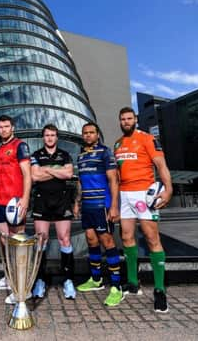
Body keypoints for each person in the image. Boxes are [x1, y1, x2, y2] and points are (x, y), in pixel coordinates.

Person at [114, 107, 173, 313]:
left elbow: (161, 165)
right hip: (124, 195)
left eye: (129, 118)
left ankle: (159, 290)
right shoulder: (118, 144)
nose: (126, 121)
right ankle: (132, 283)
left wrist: (168, 189)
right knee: (127, 237)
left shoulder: (147, 139)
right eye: (123, 119)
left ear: (135, 119)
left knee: (151, 238)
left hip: (143, 194)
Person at [74, 122, 124, 307]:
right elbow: (80, 181)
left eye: (91, 132)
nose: (88, 135)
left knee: (107, 241)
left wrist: (114, 207)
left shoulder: (105, 152)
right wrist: (77, 202)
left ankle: (117, 287)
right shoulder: (80, 155)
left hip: (102, 205)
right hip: (87, 205)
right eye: (85, 133)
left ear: (97, 134)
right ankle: (96, 280)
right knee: (91, 240)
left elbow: (114, 180)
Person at [30, 124, 76, 300]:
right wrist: (57, 170)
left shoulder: (64, 155)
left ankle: (68, 281)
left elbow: (69, 174)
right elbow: (34, 176)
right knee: (41, 240)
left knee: (65, 239)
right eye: (47, 135)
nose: (50, 138)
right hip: (42, 200)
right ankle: (40, 280)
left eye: (53, 135)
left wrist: (46, 169)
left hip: (61, 201)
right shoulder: (36, 155)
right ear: (43, 137)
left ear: (57, 137)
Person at [0, 115, 32, 300]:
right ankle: (8, 278)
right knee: (5, 240)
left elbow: (28, 175)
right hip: (1, 201)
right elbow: (0, 176)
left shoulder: (20, 146)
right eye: (0, 127)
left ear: (12, 127)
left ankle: (22, 287)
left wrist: (25, 199)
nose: (3, 130)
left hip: (16, 202)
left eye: (6, 126)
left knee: (18, 241)